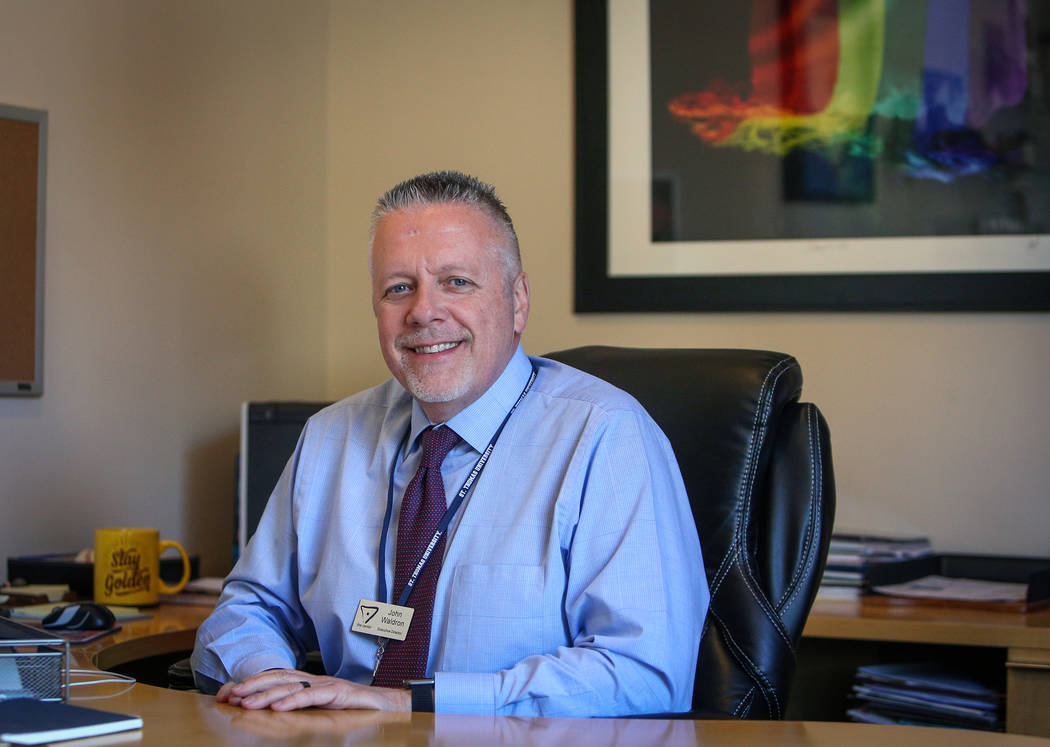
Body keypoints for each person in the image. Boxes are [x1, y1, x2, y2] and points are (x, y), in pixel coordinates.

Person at [191, 170, 708, 716]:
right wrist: (274, 679)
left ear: (517, 300)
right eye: (398, 288)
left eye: (457, 281)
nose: (423, 311)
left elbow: (645, 673)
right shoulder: (330, 438)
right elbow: (246, 610)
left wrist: (413, 704)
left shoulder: (606, 436)